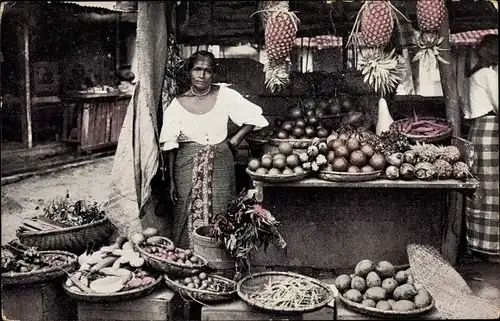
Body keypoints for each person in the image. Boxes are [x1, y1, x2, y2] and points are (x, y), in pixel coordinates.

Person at [159, 51, 269, 249]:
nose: (202, 75)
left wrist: (234, 140)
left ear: (213, 74)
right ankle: (188, 256)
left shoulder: (225, 95)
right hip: (186, 165)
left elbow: (254, 117)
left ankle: (220, 259)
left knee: (222, 209)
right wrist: (173, 181)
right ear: (189, 73)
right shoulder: (177, 104)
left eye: (208, 71)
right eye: (197, 69)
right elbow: (170, 144)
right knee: (186, 207)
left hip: (220, 163)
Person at [464, 34, 498, 263]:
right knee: (493, 189)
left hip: (476, 131)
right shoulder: (488, 74)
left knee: (479, 189)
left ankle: (476, 243)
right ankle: (492, 248)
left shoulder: (471, 75)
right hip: (491, 131)